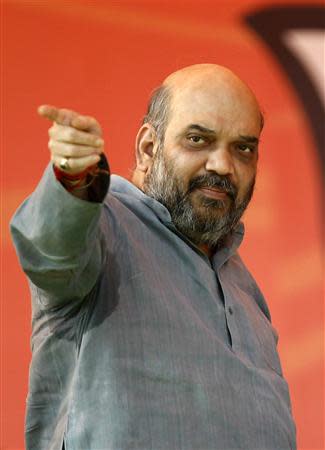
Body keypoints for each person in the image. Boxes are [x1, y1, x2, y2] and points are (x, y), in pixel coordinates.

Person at [11, 64, 296, 450]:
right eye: (198, 140)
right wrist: (75, 181)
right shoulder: (104, 225)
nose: (222, 166)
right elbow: (50, 253)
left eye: (243, 148)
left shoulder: (246, 290)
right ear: (148, 147)